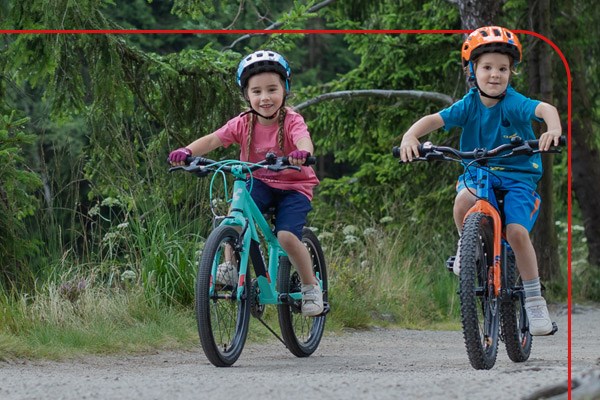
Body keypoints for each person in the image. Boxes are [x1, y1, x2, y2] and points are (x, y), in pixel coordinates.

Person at [398, 26, 562, 336]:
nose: (495, 75)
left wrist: (551, 129)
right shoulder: (469, 104)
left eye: (503, 68)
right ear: (473, 70)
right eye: (487, 67)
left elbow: (544, 109)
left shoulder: (513, 102)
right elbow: (435, 120)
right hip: (479, 172)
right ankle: (467, 246)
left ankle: (534, 301)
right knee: (463, 199)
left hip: (518, 178)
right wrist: (410, 135)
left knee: (515, 232)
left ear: (511, 72)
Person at [168, 50, 323, 317]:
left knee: (285, 236)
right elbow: (213, 140)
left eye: (272, 89)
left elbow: (303, 140)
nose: (265, 98)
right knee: (235, 219)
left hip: (293, 187)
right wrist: (187, 151)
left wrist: (302, 154)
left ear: (285, 90)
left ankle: (310, 286)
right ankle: (230, 266)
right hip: (260, 181)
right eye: (257, 91)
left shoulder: (292, 120)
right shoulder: (243, 123)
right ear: (246, 96)